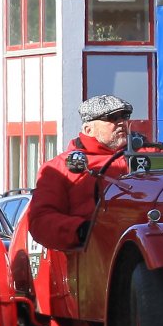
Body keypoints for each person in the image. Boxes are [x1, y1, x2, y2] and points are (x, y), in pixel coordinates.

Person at [28, 94, 135, 250]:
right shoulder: (59, 168)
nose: (121, 123)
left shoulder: (147, 155)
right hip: (93, 253)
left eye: (124, 116)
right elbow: (40, 221)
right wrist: (82, 229)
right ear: (88, 129)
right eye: (112, 118)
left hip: (147, 241)